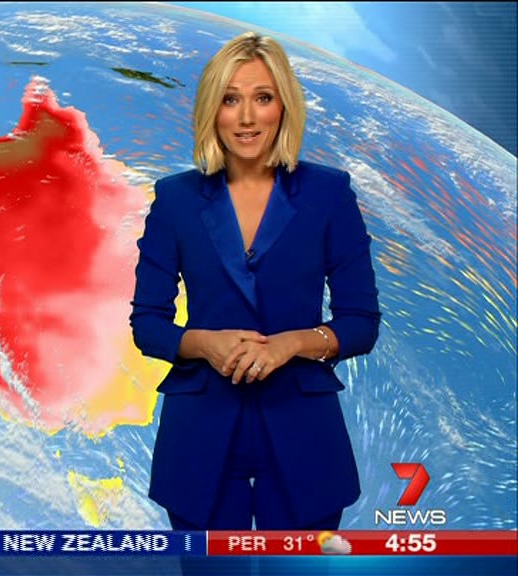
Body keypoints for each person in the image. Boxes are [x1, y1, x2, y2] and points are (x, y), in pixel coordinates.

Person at [130, 31, 381, 572]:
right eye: (230, 99)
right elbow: (148, 323)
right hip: (200, 435)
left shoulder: (329, 194)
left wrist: (292, 344)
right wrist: (204, 343)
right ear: (212, 110)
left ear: (283, 106)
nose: (247, 117)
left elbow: (361, 322)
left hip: (302, 433)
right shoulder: (175, 199)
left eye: (262, 97)